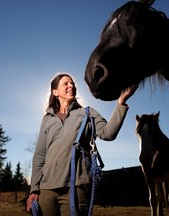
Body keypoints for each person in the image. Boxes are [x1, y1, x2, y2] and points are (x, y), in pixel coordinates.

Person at [26, 73, 137, 216]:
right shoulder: (47, 119)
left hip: (76, 187)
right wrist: (34, 190)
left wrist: (121, 102)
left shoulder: (87, 113)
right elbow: (40, 156)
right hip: (46, 189)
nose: (71, 85)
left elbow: (108, 133)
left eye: (72, 83)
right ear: (55, 92)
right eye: (65, 84)